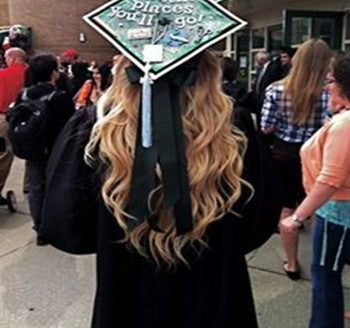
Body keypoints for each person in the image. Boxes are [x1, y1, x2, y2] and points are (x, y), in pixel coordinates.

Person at [84, 51, 281, 328]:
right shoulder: (234, 128)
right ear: (210, 70)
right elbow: (258, 224)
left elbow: (69, 228)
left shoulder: (99, 129)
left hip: (127, 296)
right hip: (214, 293)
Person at [281, 54, 350, 328]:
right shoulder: (342, 119)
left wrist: (297, 217)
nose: (326, 87)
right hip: (340, 208)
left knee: (325, 275)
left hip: (337, 211)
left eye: (330, 81)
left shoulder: (345, 125)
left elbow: (330, 179)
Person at [261, 38, 331, 280]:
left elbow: (266, 127)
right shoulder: (329, 92)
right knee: (316, 208)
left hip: (284, 154)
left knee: (287, 209)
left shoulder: (276, 89)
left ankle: (292, 263)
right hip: (318, 156)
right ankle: (321, 264)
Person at [23, 52, 75, 245]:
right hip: (56, 149)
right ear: (54, 73)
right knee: (57, 188)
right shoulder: (59, 97)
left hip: (33, 149)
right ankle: (57, 226)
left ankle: (40, 229)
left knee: (36, 188)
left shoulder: (24, 93)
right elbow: (69, 125)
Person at [0, 47, 28, 202]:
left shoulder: (2, 75)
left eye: (6, 57)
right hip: (29, 120)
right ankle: (29, 185)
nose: (5, 60)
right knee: (33, 153)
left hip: (4, 118)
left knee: (3, 154)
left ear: (13, 57)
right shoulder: (31, 73)